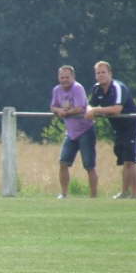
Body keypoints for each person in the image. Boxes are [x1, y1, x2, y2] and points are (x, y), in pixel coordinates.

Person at [86, 61, 136, 199]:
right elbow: (89, 106)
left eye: (103, 72)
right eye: (98, 73)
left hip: (132, 125)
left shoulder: (118, 87)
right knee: (124, 161)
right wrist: (90, 110)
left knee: (130, 160)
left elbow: (117, 109)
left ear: (110, 73)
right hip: (119, 128)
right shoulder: (96, 89)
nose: (101, 75)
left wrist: (96, 110)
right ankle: (124, 192)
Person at [50, 65, 98, 198]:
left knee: (89, 165)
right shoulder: (57, 90)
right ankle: (64, 194)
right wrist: (58, 110)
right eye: (62, 77)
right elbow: (53, 106)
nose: (64, 80)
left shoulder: (77, 88)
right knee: (63, 162)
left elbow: (80, 108)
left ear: (73, 77)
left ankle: (93, 196)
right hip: (71, 133)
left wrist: (66, 112)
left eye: (67, 77)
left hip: (85, 130)